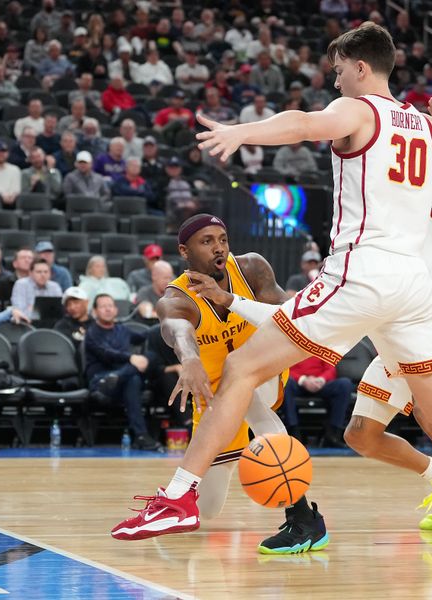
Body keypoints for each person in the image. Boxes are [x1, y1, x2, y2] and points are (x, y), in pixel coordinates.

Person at [112, 23, 432, 563]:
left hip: (361, 272)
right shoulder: (423, 125)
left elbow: (302, 124)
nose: (336, 78)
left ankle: (178, 497)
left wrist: (240, 132)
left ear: (361, 66)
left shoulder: (361, 108)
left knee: (240, 369)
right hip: (413, 289)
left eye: (339, 68)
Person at [110, 214, 330, 553]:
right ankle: (181, 506)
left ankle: (303, 517)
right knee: (209, 508)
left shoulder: (252, 268)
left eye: (223, 239)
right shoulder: (176, 298)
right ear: (185, 250)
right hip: (214, 398)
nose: (219, 248)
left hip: (263, 370)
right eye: (207, 241)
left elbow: (286, 315)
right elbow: (176, 330)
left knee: (251, 393)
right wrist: (190, 360)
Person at [84, 293, 161, 451]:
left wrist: (162, 322)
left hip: (118, 378)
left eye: (110, 306)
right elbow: (106, 354)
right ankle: (141, 436)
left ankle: (120, 376)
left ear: (116, 310)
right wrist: (131, 357)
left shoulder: (122, 329)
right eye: (103, 306)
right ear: (95, 311)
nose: (108, 309)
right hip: (101, 380)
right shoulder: (92, 333)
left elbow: (143, 336)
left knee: (151, 358)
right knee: (133, 378)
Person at [53, 286, 90, 350]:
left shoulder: (96, 324)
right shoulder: (62, 325)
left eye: (76, 303)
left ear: (86, 302)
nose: (72, 307)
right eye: (68, 304)